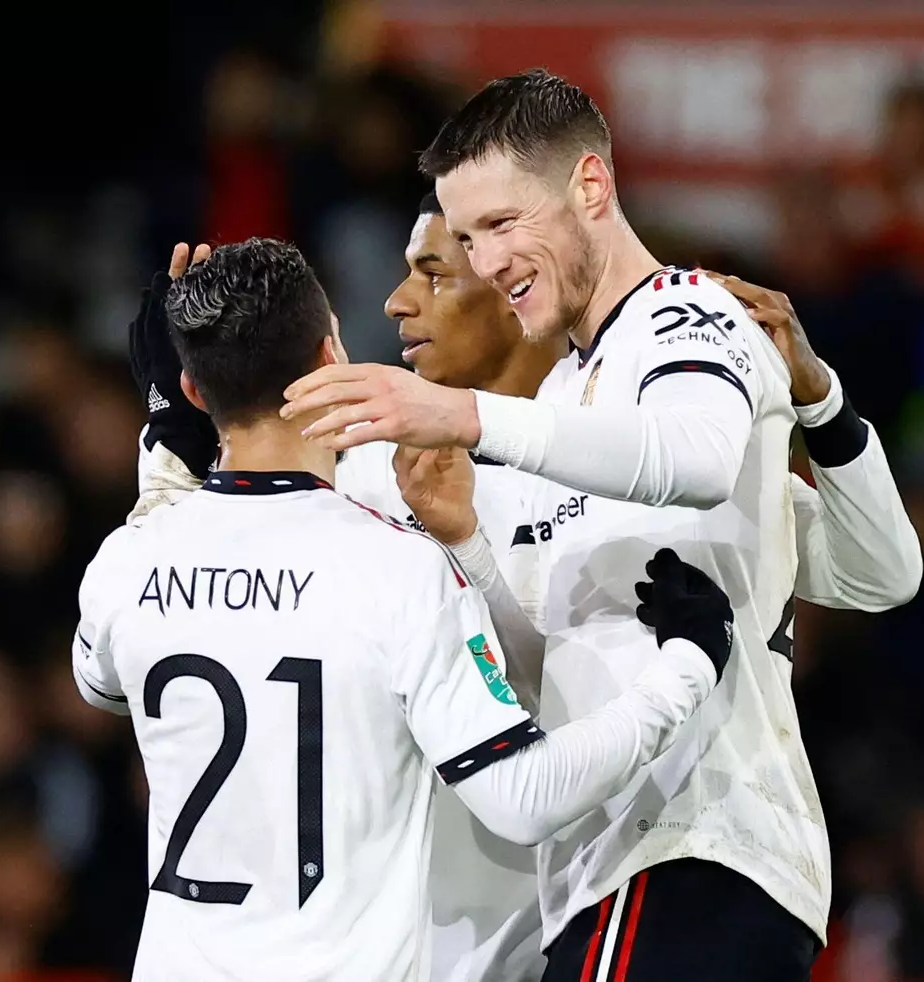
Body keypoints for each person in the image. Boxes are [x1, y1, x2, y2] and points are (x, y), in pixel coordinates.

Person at [135, 195, 920, 980]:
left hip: (566, 917)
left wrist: (821, 397)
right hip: (395, 942)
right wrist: (185, 405)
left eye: (434, 275)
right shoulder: (364, 472)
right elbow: (167, 603)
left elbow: (882, 571)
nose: (397, 302)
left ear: (518, 293)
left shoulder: (644, 470)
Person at [75, 237, 736, 982]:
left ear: (195, 391)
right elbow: (523, 796)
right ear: (332, 359)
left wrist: (165, 438)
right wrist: (683, 670)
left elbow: (99, 680)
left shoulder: (126, 565)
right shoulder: (398, 570)